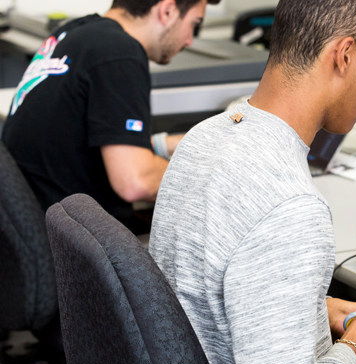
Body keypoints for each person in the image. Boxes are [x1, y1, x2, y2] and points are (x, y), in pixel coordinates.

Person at [147, 0, 356, 364]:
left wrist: (314, 308)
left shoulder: (201, 138)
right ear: (344, 55)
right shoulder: (291, 207)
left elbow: (203, 297)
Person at [0, 0, 215, 234]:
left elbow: (76, 140)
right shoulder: (120, 51)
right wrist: (219, 182)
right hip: (73, 250)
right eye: (194, 24)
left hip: (33, 235)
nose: (189, 40)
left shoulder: (73, 32)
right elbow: (135, 181)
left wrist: (165, 144)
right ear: (167, 10)